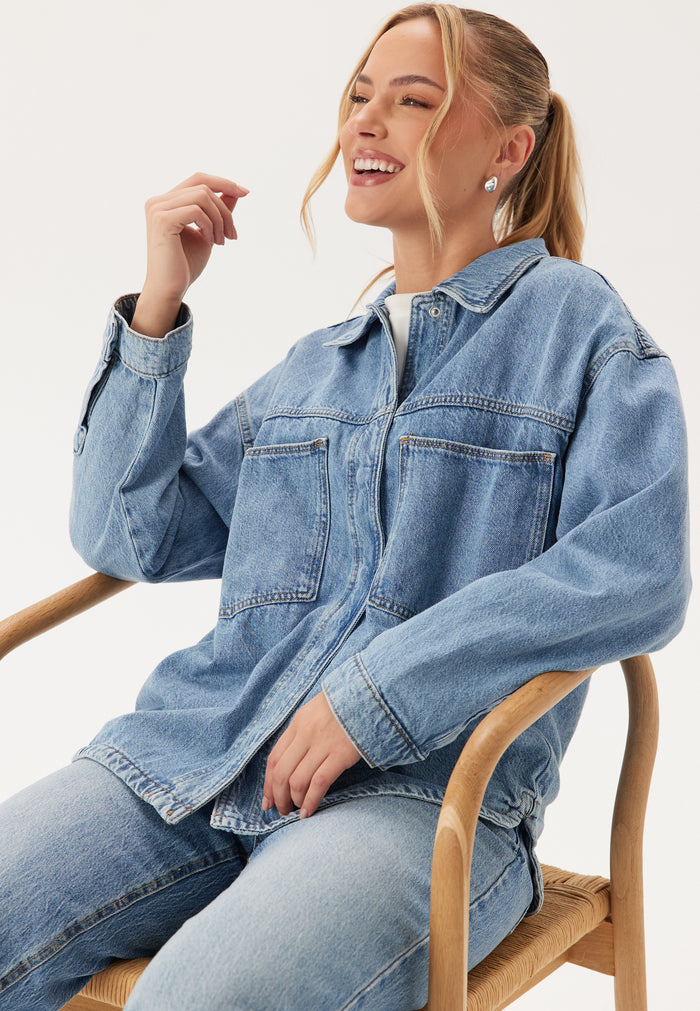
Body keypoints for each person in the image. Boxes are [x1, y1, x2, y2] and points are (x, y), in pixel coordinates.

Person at [0, 5, 690, 1010]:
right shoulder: (318, 365)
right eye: (360, 96)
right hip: (189, 764)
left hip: (422, 800)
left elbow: (636, 569)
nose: (366, 121)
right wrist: (157, 309)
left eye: (414, 101)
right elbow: (126, 536)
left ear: (509, 149)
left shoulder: (579, 327)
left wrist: (376, 696)